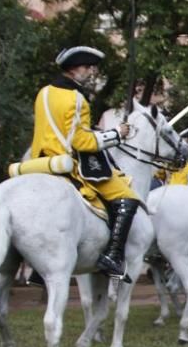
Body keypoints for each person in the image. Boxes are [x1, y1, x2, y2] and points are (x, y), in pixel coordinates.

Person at [30, 46, 139, 282]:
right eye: (87, 67)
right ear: (74, 68)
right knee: (127, 198)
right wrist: (116, 134)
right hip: (68, 162)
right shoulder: (77, 98)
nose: (90, 72)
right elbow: (81, 141)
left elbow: (58, 129)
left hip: (39, 160)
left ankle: (35, 267)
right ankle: (112, 256)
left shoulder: (44, 93)